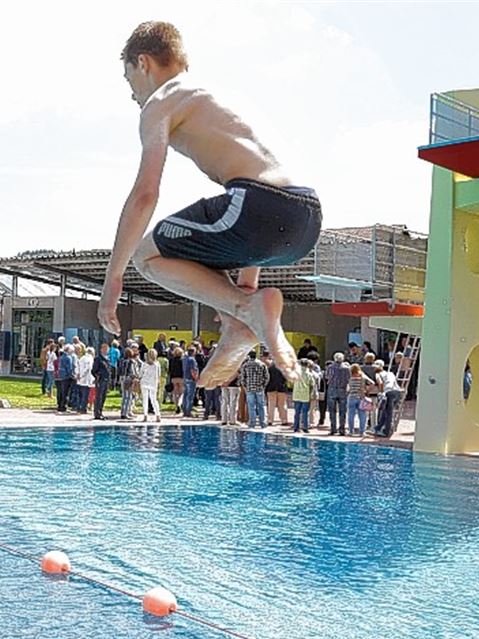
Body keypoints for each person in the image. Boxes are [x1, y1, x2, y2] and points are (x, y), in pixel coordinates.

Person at [97, 22, 322, 391]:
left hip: (259, 206)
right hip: (304, 221)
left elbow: (145, 194)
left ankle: (244, 310)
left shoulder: (161, 101)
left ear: (143, 63)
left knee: (147, 255)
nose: (132, 93)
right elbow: (260, 200)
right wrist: (247, 285)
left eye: (128, 79)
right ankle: (240, 320)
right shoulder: (219, 99)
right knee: (203, 246)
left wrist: (113, 279)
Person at [239, 350, 269, 429]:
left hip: (249, 388)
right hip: (259, 388)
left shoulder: (245, 365)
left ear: (249, 355)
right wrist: (263, 385)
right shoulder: (262, 364)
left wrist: (245, 387)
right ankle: (262, 423)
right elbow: (266, 377)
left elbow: (242, 378)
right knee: (261, 405)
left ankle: (252, 422)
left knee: (251, 406)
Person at [373, 361, 403, 437]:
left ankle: (386, 431)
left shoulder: (378, 374)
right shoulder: (390, 373)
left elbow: (380, 383)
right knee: (386, 411)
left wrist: (381, 392)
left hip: (388, 392)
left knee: (388, 413)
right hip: (397, 392)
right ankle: (378, 427)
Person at [347, 364, 375, 436]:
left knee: (351, 415)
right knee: (362, 415)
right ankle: (362, 432)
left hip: (351, 397)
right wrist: (367, 390)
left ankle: (350, 431)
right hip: (361, 397)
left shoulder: (349, 378)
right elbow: (372, 383)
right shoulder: (362, 378)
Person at [325, 353, 349, 435]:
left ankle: (333, 429)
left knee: (332, 410)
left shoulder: (330, 367)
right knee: (342, 411)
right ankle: (342, 429)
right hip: (342, 389)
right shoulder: (346, 368)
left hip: (332, 389)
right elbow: (348, 378)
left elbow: (327, 377)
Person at [264, 352, 289, 426]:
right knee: (282, 404)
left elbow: (267, 378)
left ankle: (270, 420)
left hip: (271, 388)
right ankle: (284, 420)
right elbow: (286, 378)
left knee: (271, 404)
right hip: (281, 388)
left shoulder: (269, 368)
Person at [291, 359, 316, 433]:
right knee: (305, 412)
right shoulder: (309, 374)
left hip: (296, 394)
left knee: (297, 412)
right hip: (305, 395)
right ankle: (305, 427)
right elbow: (312, 384)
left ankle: (296, 427)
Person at [118, 347, 142, 419]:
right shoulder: (131, 362)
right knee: (128, 397)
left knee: (125, 396)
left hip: (123, 379)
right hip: (129, 379)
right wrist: (137, 377)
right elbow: (133, 372)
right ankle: (125, 413)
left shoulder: (122, 361)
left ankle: (124, 412)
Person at [140, 348, 163, 422]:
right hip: (153, 383)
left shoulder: (144, 364)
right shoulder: (157, 364)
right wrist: (158, 382)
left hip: (144, 382)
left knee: (145, 399)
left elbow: (141, 373)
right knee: (154, 399)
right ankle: (158, 415)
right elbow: (158, 374)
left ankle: (145, 415)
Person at [92, 343, 111, 419]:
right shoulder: (98, 359)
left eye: (107, 349)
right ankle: (97, 413)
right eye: (104, 349)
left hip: (106, 380)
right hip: (100, 380)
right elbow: (93, 370)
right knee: (99, 397)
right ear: (101, 350)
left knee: (103, 397)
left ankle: (100, 411)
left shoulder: (107, 359)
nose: (106, 351)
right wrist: (98, 376)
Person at [56, 345, 76, 412]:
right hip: (67, 376)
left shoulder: (62, 357)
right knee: (66, 392)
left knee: (62, 392)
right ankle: (64, 406)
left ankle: (60, 406)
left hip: (61, 376)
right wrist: (72, 375)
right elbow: (69, 368)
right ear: (69, 350)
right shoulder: (68, 357)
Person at [182, 346, 200, 418]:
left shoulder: (184, 359)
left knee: (185, 395)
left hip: (185, 378)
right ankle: (188, 411)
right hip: (191, 379)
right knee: (190, 396)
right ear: (193, 352)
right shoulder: (192, 360)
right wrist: (195, 378)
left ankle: (184, 411)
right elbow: (193, 370)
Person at [169, 346, 185, 413]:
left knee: (175, 393)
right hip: (181, 377)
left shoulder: (171, 360)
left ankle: (176, 406)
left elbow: (170, 369)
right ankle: (179, 404)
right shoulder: (182, 360)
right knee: (181, 393)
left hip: (173, 378)